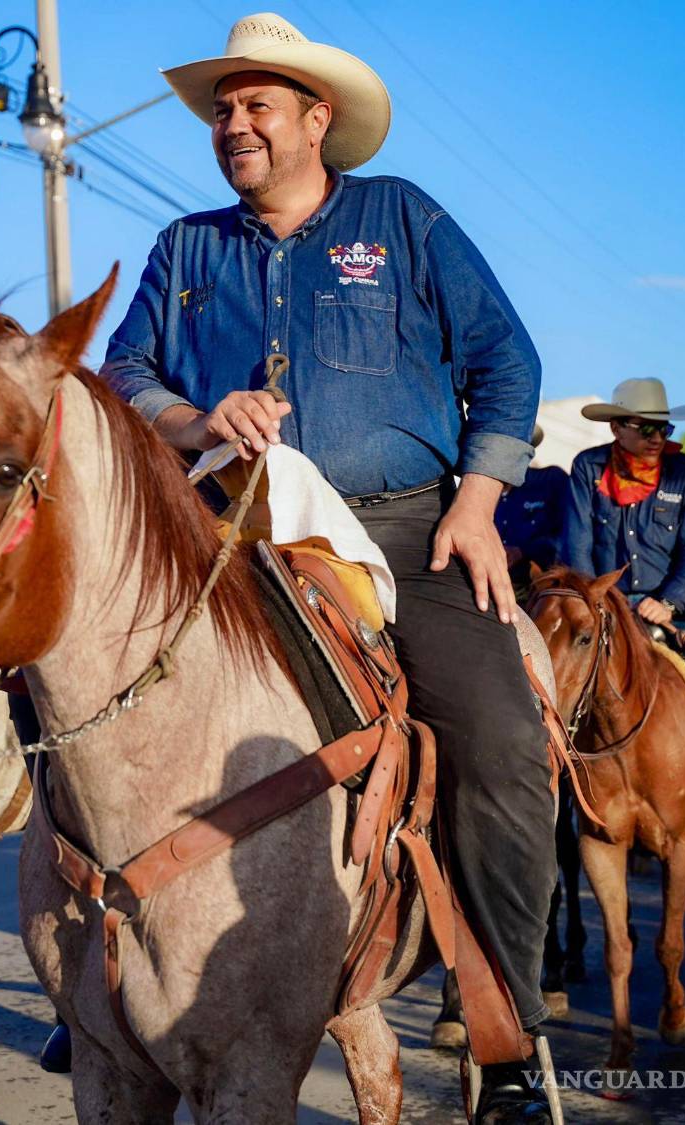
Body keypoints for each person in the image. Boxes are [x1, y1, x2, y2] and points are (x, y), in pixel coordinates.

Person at [103, 13, 558, 1120]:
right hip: (231, 535)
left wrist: (483, 502)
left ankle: (503, 1034)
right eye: (224, 108)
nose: (233, 123)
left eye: (257, 104)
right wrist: (191, 411)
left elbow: (507, 360)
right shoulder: (187, 248)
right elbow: (123, 372)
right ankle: (95, 994)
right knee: (83, 707)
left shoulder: (400, 216)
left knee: (500, 741)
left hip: (408, 531)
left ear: (318, 120)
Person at [562, 378, 685, 858]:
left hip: (677, 611)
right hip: (605, 611)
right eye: (646, 427)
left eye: (663, 427)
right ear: (617, 427)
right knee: (548, 684)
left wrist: (668, 602)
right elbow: (575, 548)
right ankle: (550, 796)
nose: (657, 436)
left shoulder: (684, 473)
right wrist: (598, 603)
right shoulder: (587, 469)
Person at [495, 425, 568, 604]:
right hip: (488, 584)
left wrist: (523, 551)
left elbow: (569, 535)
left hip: (538, 590)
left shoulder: (551, 480)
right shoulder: (475, 493)